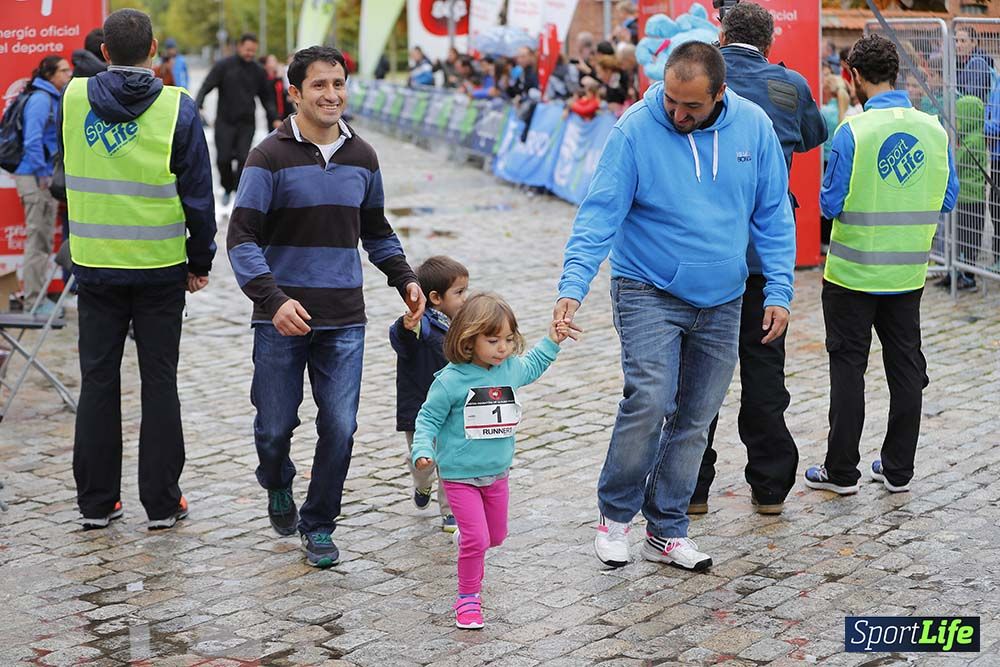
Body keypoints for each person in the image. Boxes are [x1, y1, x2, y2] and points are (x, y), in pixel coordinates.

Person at [554, 41, 796, 571]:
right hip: (647, 286)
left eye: (692, 107)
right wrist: (573, 287)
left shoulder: (753, 127)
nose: (678, 114)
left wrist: (779, 289)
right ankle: (615, 516)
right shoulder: (635, 128)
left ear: (720, 94)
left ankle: (665, 530)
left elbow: (774, 213)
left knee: (695, 416)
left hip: (724, 295)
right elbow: (599, 215)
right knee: (650, 399)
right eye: (671, 102)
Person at [227, 45, 426, 568]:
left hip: (344, 319)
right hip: (280, 319)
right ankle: (276, 482)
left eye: (338, 83)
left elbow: (376, 230)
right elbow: (241, 238)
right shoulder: (267, 156)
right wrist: (272, 300)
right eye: (319, 85)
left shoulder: (363, 155)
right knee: (273, 427)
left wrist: (403, 277)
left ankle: (318, 524)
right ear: (294, 93)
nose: (331, 94)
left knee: (340, 425)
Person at [61, 8, 216, 529]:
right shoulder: (178, 109)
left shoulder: (74, 98)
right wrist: (201, 260)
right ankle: (162, 502)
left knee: (98, 382)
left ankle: (97, 504)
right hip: (159, 269)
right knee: (159, 383)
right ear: (154, 51)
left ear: (104, 52)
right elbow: (199, 197)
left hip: (96, 266)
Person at [689, 1, 827, 516]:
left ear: (722, 36)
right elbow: (814, 135)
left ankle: (695, 487)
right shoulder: (787, 85)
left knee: (698, 375)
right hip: (767, 255)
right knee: (765, 369)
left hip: (707, 252)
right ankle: (770, 486)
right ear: (770, 43)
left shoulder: (705, 78)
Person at [806, 35, 958, 497]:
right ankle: (897, 469)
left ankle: (842, 473)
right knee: (906, 369)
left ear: (853, 76)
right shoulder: (934, 129)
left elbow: (829, 204)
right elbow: (948, 200)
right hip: (907, 274)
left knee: (849, 370)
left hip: (852, 274)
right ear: (897, 74)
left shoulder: (853, 131)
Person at [411, 293, 575, 629]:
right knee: (477, 540)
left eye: (508, 339)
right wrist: (422, 451)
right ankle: (467, 600)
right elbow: (427, 419)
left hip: (497, 473)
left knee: (495, 537)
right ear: (468, 339)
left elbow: (533, 365)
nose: (503, 348)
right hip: (459, 476)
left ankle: (468, 538)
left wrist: (552, 341)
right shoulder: (450, 381)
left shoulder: (511, 368)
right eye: (493, 340)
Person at [389, 256, 470, 533]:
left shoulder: (460, 324)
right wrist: (406, 325)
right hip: (419, 410)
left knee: (450, 459)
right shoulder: (421, 325)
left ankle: (450, 512)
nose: (465, 298)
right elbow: (401, 337)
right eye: (459, 292)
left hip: (452, 408)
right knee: (425, 461)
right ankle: (421, 484)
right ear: (435, 297)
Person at [13, 55, 71, 316]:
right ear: (50, 75)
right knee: (38, 240)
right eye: (63, 70)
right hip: (36, 178)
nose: (68, 74)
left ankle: (37, 299)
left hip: (39, 176)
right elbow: (32, 142)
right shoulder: (41, 99)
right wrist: (45, 177)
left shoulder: (49, 97)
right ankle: (33, 301)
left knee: (44, 239)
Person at [195, 33, 278, 206]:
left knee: (243, 160)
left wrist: (275, 118)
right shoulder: (223, 66)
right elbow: (207, 85)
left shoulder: (258, 71)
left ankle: (238, 191)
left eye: (253, 51)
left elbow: (267, 98)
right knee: (223, 160)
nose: (249, 54)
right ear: (239, 46)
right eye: (247, 50)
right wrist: (198, 104)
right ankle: (227, 187)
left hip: (246, 123)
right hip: (225, 121)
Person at [955, 26, 993, 104]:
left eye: (963, 41)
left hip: (975, 111)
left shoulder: (978, 63)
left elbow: (973, 94)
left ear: (974, 43)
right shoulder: (961, 60)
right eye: (956, 41)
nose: (958, 45)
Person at [262, 54, 293, 120]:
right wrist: (275, 118)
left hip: (286, 114)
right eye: (271, 61)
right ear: (265, 65)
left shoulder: (280, 78)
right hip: (274, 116)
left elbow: (284, 92)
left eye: (275, 60)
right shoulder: (265, 78)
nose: (275, 63)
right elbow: (268, 99)